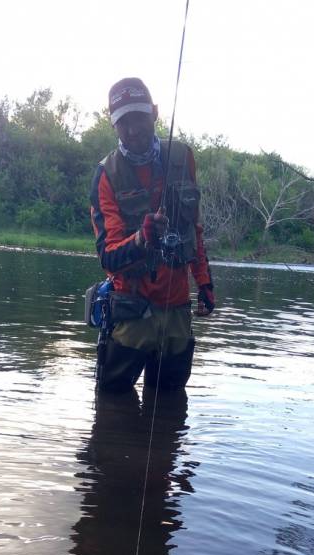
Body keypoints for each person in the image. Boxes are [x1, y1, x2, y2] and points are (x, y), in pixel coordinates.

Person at [90, 77, 215, 393]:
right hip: (132, 311)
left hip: (177, 313)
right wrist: (141, 239)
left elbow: (193, 230)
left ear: (155, 113)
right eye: (123, 122)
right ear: (114, 125)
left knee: (171, 406)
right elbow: (108, 256)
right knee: (112, 408)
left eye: (139, 118)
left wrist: (204, 283)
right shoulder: (106, 174)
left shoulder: (183, 157)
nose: (133, 130)